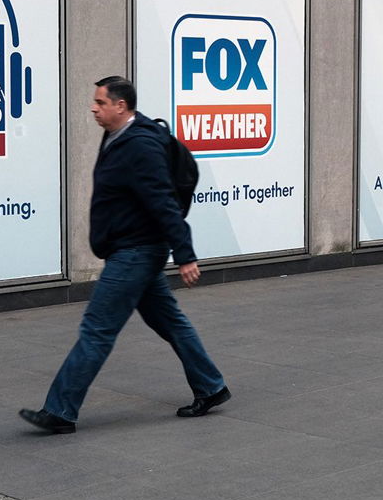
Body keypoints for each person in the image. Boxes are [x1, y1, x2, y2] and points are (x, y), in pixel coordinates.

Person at [19, 76, 230, 434]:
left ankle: (60, 411)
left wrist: (185, 254)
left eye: (100, 102)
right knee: (170, 322)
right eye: (95, 101)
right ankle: (211, 386)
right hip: (132, 248)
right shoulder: (119, 135)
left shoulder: (141, 145)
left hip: (135, 252)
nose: (93, 108)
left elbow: (163, 201)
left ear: (121, 106)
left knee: (97, 329)